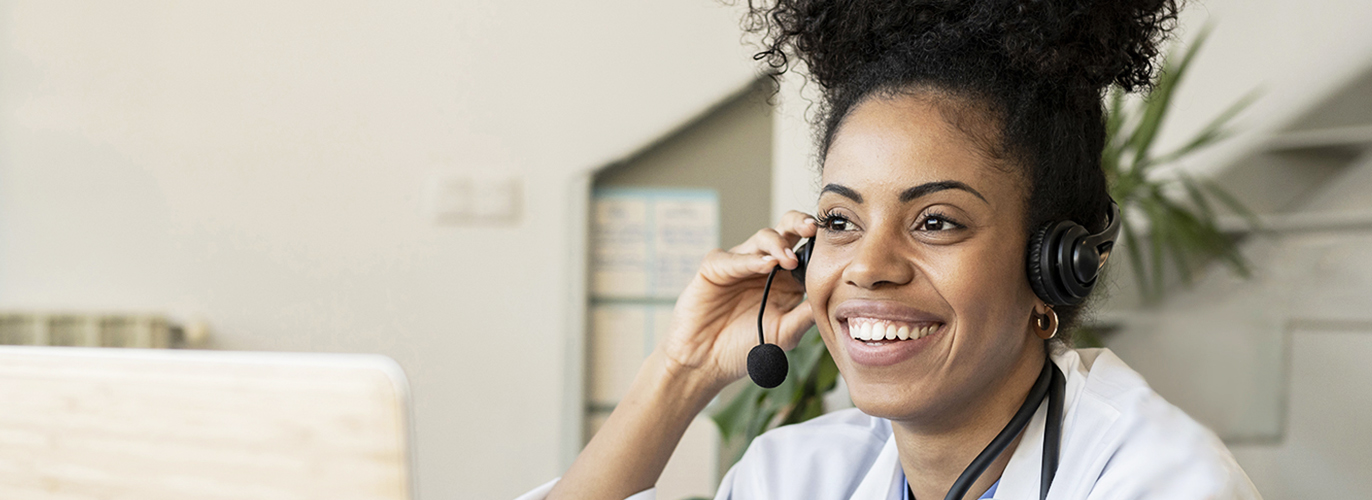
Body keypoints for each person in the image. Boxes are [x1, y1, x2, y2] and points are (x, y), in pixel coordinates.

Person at [519, 0, 1261, 499]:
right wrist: (680, 371)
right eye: (841, 221)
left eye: (936, 221)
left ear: (1056, 266)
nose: (869, 267)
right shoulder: (801, 475)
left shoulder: (1157, 480)